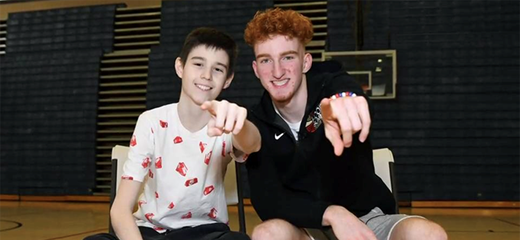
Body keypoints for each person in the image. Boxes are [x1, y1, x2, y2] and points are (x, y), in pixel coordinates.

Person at [241, 8, 447, 240]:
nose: (277, 71)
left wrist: (344, 100)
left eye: (288, 57)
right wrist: (331, 213)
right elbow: (268, 201)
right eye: (266, 60)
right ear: (256, 69)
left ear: (306, 62)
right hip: (305, 225)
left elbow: (345, 89)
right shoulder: (256, 122)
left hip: (366, 218)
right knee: (267, 234)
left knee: (428, 234)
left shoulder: (331, 85)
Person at [85, 27, 260, 240]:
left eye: (218, 69)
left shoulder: (227, 122)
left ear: (228, 80)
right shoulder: (151, 122)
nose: (206, 75)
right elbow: (120, 210)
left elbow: (252, 144)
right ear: (180, 67)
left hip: (206, 233)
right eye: (198, 64)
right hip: (151, 232)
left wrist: (239, 125)